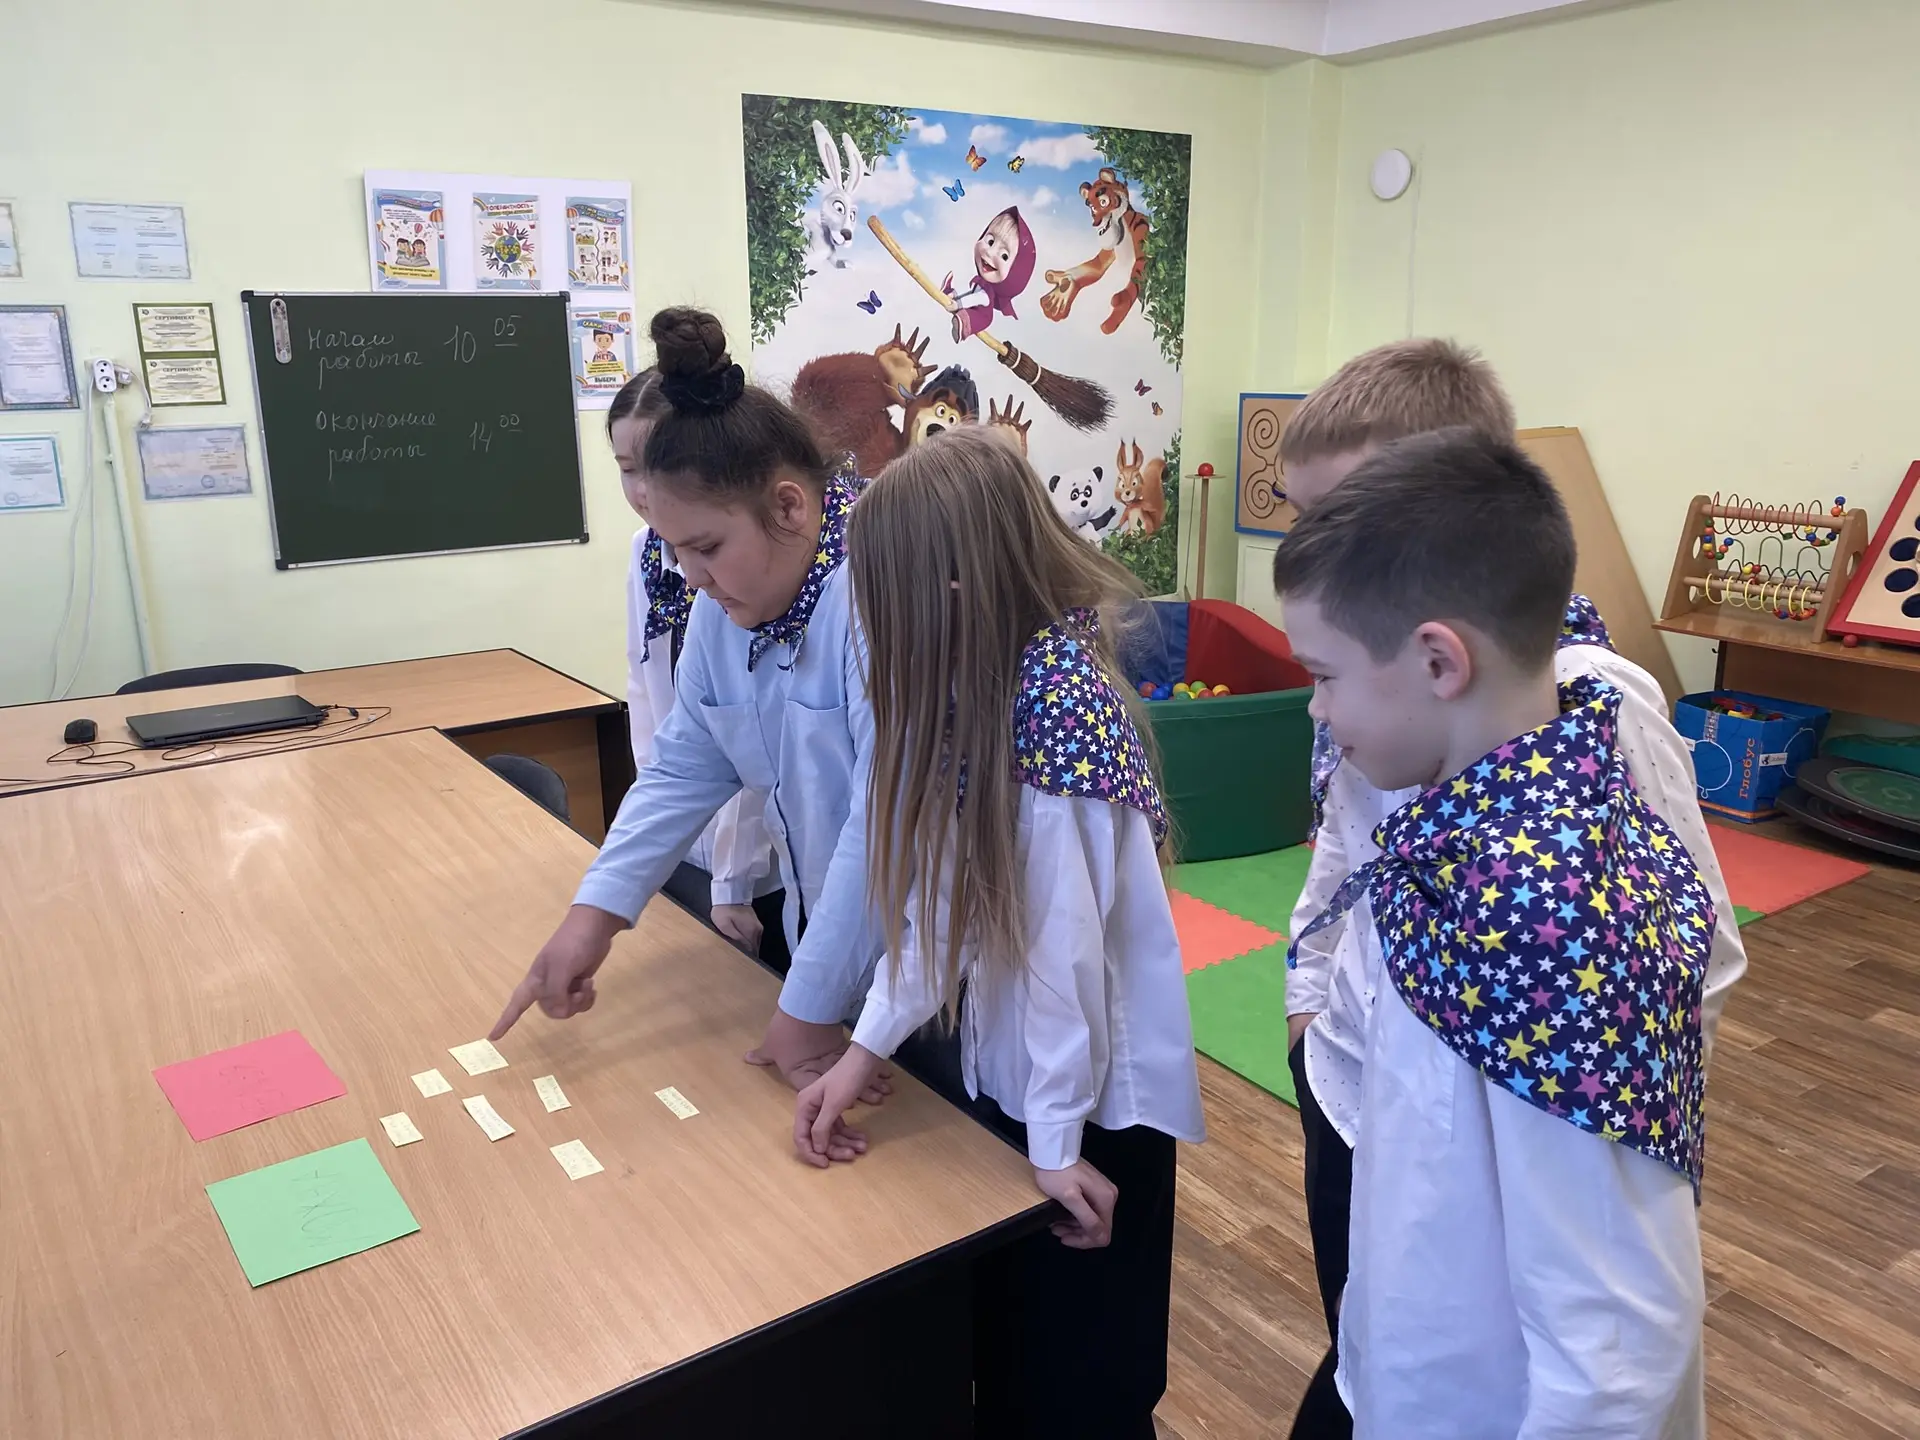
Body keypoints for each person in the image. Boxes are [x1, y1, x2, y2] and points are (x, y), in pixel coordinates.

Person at [1276, 340, 1747, 1438]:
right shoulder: (1425, 745)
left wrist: (1585, 1079)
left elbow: (1614, 1345)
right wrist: (1315, 1007)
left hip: (1494, 1136)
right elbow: (1347, 860)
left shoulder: (1563, 870)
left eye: (1347, 516)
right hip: (1380, 1107)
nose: (1323, 546)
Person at [793, 427, 1204, 1439]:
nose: (871, 628)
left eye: (882, 602)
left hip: (1092, 1114)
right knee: (1013, 1368)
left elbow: (1065, 962)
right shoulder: (977, 694)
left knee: (1083, 1391)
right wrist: (862, 1050)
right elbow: (938, 908)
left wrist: (1056, 1145)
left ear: (949, 593)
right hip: (1028, 1092)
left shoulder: (1058, 715)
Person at [490, 307, 890, 1108]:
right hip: (841, 961)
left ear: (790, 507)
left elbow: (882, 832)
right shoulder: (725, 605)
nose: (692, 578)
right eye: (675, 551)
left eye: (705, 548)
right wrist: (593, 916)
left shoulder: (883, 602)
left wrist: (808, 1010)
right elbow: (686, 763)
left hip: (944, 976)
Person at [604, 369, 785, 968]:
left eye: (654, 464)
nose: (643, 489)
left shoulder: (747, 558)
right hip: (688, 843)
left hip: (762, 860)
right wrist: (655, 840)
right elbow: (648, 695)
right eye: (627, 469)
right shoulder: (647, 552)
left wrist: (733, 878)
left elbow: (750, 734)